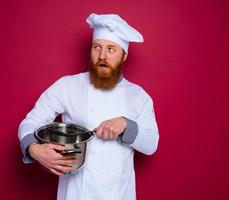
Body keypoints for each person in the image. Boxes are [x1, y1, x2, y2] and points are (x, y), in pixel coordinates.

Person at [18, 13, 159, 200]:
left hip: (118, 194)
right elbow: (31, 122)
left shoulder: (139, 96)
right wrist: (35, 150)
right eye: (97, 47)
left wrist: (126, 125)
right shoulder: (67, 86)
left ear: (124, 56)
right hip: (74, 194)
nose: (102, 55)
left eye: (111, 49)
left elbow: (151, 144)